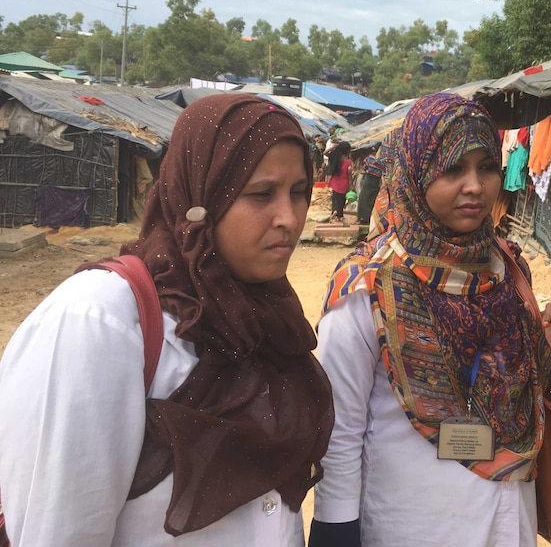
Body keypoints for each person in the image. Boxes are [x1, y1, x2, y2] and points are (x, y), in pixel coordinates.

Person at [0, 94, 334, 546]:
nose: (289, 218)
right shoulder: (101, 321)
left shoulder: (268, 322)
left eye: (298, 193)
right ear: (198, 195)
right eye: (260, 194)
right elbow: (58, 529)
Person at [309, 92, 551, 547]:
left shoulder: (506, 267)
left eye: (487, 167)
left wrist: (539, 355)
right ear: (415, 173)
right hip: (415, 524)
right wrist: (335, 532)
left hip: (508, 515)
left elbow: (504, 392)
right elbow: (340, 434)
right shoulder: (368, 287)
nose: (475, 186)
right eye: (452, 169)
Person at [354, 133, 392, 225]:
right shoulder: (383, 160)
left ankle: (360, 219)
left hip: (368, 180)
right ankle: (368, 219)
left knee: (363, 198)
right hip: (376, 181)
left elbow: (365, 167)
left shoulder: (370, 157)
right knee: (372, 200)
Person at [324, 140, 353, 223]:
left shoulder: (335, 158)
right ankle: (338, 215)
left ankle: (334, 213)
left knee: (335, 199)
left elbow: (325, 153)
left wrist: (334, 147)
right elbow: (349, 175)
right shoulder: (348, 162)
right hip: (344, 185)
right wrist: (351, 185)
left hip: (335, 183)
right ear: (348, 151)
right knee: (341, 201)